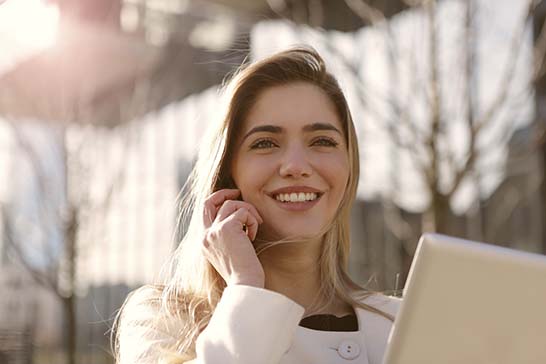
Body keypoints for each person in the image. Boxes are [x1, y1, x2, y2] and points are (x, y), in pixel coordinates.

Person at [112, 47, 401, 364]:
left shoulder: (398, 324)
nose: (295, 166)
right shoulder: (162, 321)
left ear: (348, 166)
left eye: (322, 141)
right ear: (228, 172)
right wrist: (246, 288)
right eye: (265, 143)